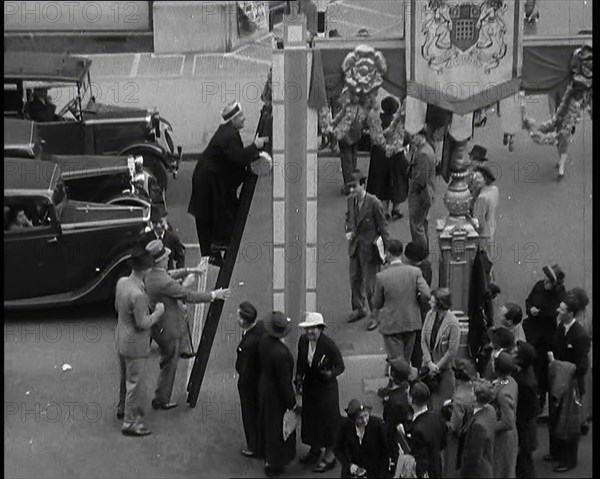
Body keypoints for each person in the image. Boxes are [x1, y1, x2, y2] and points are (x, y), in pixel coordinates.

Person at [144, 240, 230, 410]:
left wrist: (190, 270)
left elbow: (169, 273)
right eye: (166, 256)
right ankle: (161, 399)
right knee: (169, 365)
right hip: (169, 329)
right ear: (160, 260)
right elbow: (188, 295)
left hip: (160, 327)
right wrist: (213, 294)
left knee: (168, 360)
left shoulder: (151, 274)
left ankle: (162, 395)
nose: (168, 258)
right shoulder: (164, 283)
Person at [188, 101, 269, 267]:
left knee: (215, 212)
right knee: (217, 211)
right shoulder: (229, 136)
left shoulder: (229, 132)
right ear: (233, 119)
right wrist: (255, 146)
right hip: (209, 181)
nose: (244, 119)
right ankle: (217, 246)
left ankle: (215, 249)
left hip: (211, 178)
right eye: (241, 116)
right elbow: (238, 158)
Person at [114, 250, 165, 436]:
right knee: (133, 384)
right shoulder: (139, 295)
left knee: (124, 378)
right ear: (146, 269)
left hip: (121, 338)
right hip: (135, 344)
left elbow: (117, 307)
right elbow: (143, 323)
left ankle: (122, 408)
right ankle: (129, 422)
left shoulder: (122, 283)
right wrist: (158, 312)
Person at [546, 287, 591, 473]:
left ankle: (569, 460)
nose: (558, 310)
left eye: (562, 309)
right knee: (555, 418)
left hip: (571, 385)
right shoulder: (560, 327)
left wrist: (557, 364)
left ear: (570, 313)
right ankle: (556, 453)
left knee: (569, 424)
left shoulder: (580, 335)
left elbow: (582, 366)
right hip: (558, 381)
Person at [296, 312, 345, 473]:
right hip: (310, 386)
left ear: (320, 329)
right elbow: (300, 362)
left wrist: (330, 374)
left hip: (326, 389)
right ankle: (315, 449)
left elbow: (340, 366)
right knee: (311, 419)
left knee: (327, 421)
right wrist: (298, 378)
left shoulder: (329, 345)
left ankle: (330, 456)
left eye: (313, 329)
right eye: (308, 329)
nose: (310, 332)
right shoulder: (303, 341)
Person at [371, 239, 431, 363]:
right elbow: (426, 294)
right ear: (401, 253)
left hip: (391, 324)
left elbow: (376, 303)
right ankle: (408, 379)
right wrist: (417, 301)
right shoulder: (415, 272)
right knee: (407, 359)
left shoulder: (381, 276)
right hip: (410, 321)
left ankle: (398, 381)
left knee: (396, 360)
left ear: (388, 254)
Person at [256, 312, 299, 477]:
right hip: (277, 398)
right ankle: (274, 463)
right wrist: (292, 404)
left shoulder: (265, 341)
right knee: (279, 431)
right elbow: (285, 383)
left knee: (268, 426)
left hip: (264, 389)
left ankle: (267, 457)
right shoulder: (282, 354)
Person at [345, 169, 390, 323]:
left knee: (370, 286)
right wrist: (348, 231)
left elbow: (383, 227)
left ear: (363, 185)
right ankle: (359, 309)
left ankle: (375, 315)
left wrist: (386, 251)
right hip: (355, 247)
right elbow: (348, 219)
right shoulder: (351, 201)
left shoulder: (374, 203)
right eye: (350, 187)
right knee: (354, 280)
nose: (352, 190)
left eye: (355, 186)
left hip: (370, 249)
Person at [522, 264, 566, 410]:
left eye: (549, 280)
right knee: (531, 366)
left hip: (547, 337)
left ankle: (541, 400)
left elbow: (556, 314)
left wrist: (540, 312)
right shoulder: (539, 285)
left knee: (543, 371)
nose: (545, 281)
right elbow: (528, 300)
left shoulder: (560, 294)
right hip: (533, 333)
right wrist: (530, 309)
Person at [366, 96, 409, 220]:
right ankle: (396, 208)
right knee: (397, 182)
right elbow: (405, 139)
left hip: (380, 155)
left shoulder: (377, 119)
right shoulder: (398, 122)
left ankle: (384, 210)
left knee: (381, 182)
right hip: (396, 155)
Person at [420, 288, 460, 412]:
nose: (429, 303)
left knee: (442, 406)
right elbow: (423, 341)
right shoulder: (429, 315)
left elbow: (452, 351)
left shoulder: (453, 323)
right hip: (428, 366)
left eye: (432, 301)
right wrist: (429, 362)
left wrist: (437, 367)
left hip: (444, 371)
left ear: (440, 304)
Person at [236, 301, 267, 458]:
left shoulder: (248, 343)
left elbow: (244, 368)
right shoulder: (260, 328)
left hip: (249, 385)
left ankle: (253, 446)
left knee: (249, 415)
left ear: (243, 321)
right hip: (260, 380)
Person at [334, 399, 389, 479]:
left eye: (366, 415)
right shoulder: (345, 426)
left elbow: (385, 452)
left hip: (374, 472)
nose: (364, 420)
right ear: (353, 419)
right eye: (360, 418)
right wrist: (348, 465)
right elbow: (337, 448)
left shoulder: (378, 425)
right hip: (352, 472)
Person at [442, 359, 477, 478]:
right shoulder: (475, 388)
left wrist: (446, 422)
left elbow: (455, 426)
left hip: (459, 440)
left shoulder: (459, 399)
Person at [406, 381, 447, 478]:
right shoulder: (437, 418)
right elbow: (443, 442)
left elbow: (420, 461)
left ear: (412, 399)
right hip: (437, 467)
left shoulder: (417, 429)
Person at [512, 341, 541, 479]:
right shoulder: (525, 373)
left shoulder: (523, 382)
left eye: (515, 352)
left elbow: (531, 409)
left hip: (524, 426)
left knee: (524, 463)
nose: (511, 352)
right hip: (525, 424)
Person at [460, 379, 497, 478]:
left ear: (475, 397)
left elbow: (474, 456)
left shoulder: (478, 426)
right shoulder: (490, 409)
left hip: (477, 473)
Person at [404, 242, 433, 369]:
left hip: (415, 311)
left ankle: (409, 367)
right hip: (423, 311)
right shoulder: (427, 265)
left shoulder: (414, 272)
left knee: (412, 341)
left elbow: (423, 294)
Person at [408, 128, 436, 252]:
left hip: (420, 193)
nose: (412, 139)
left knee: (416, 225)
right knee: (422, 222)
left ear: (421, 136)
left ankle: (421, 251)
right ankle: (424, 249)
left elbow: (421, 178)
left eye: (414, 136)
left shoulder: (423, 153)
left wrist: (413, 187)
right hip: (426, 191)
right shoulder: (426, 149)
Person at [491, 352, 519, 479]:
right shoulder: (510, 381)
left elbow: (507, 422)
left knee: (502, 472)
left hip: (504, 439)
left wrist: (489, 427)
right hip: (506, 437)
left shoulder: (504, 394)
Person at [141, 205, 185, 270]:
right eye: (155, 223)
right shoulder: (146, 239)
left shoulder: (173, 238)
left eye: (161, 222)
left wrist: (179, 272)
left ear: (165, 221)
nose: (158, 226)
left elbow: (180, 256)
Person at [470, 164, 499, 252]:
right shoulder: (495, 190)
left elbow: (479, 221)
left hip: (482, 235)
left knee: (481, 260)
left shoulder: (482, 197)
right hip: (491, 228)